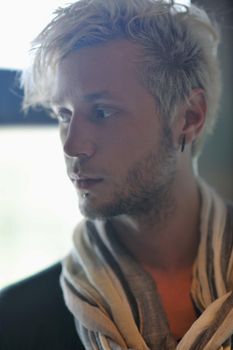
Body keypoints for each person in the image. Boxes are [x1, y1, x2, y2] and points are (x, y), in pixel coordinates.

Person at [0, 0, 233, 349]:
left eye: (103, 112)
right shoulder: (17, 320)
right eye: (64, 114)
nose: (72, 145)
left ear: (189, 117)